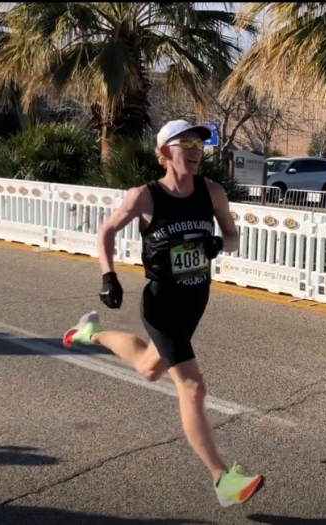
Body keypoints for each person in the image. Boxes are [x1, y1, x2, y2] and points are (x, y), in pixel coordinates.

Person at [61, 120, 263, 508]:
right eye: (183, 142)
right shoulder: (145, 197)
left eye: (198, 144)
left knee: (150, 368)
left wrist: (219, 244)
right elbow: (106, 231)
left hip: (195, 301)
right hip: (161, 303)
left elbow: (233, 238)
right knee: (191, 387)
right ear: (163, 153)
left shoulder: (213, 192)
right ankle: (223, 478)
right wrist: (108, 276)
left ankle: (91, 333)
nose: (193, 150)